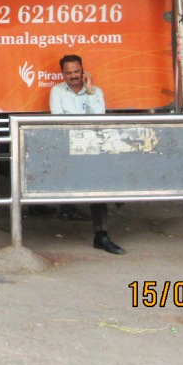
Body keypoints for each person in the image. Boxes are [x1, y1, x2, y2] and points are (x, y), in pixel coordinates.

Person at [48, 54, 125, 255]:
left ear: (83, 71)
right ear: (62, 74)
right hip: (69, 147)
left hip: (92, 147)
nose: (73, 76)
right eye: (69, 73)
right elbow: (58, 121)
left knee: (99, 181)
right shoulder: (57, 91)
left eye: (77, 72)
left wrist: (89, 90)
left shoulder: (95, 91)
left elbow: (100, 120)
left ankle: (101, 235)